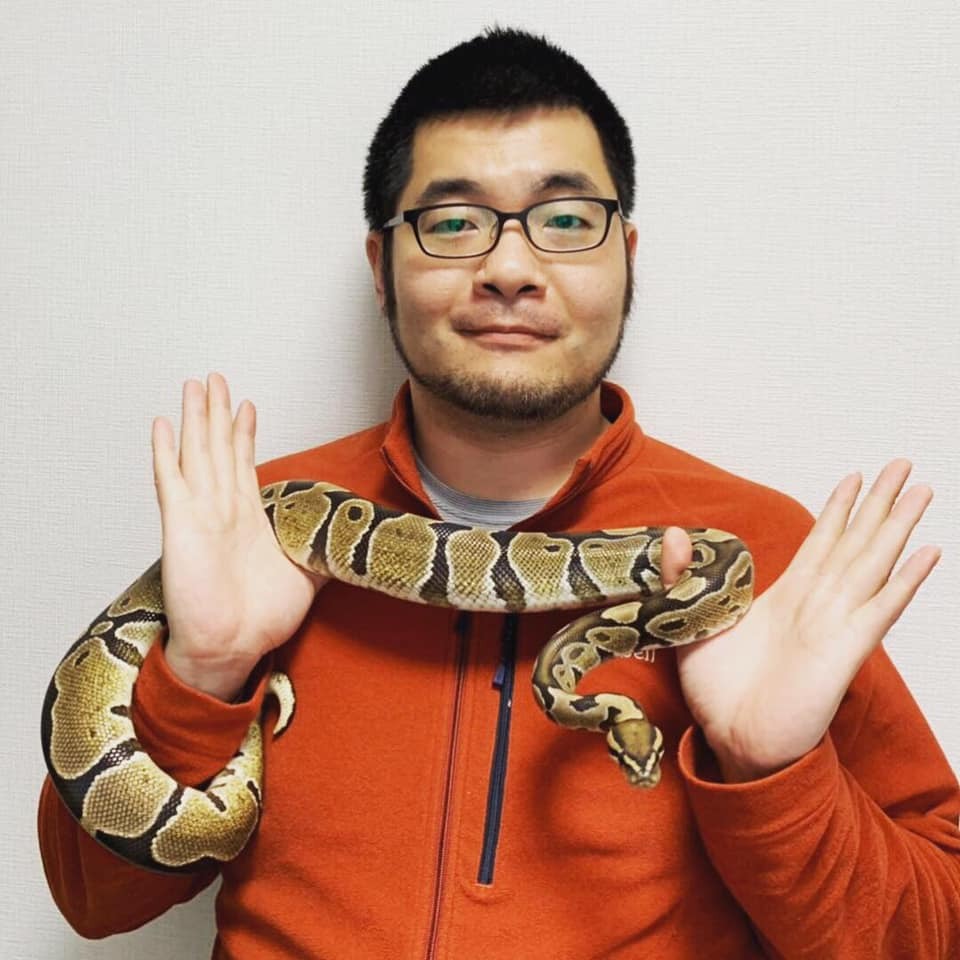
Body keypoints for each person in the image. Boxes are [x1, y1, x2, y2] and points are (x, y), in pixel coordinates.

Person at [38, 26, 959, 960]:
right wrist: (203, 675)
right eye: (453, 223)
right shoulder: (255, 529)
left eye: (565, 220)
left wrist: (774, 771)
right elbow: (91, 903)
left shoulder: (754, 557)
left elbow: (934, 933)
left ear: (627, 255)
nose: (510, 270)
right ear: (381, 266)